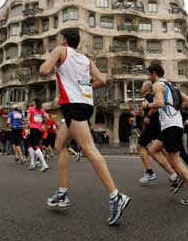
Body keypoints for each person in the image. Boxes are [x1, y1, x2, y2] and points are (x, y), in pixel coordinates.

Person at [39, 28, 130, 225]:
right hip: (85, 104)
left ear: (64, 40)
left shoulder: (60, 50)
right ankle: (62, 193)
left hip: (73, 106)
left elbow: (44, 70)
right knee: (59, 145)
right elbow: (103, 80)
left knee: (89, 149)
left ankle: (116, 196)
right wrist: (86, 86)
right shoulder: (86, 59)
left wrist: (53, 61)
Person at [142, 63, 188, 205]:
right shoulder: (173, 85)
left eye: (149, 74)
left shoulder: (157, 85)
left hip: (170, 126)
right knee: (153, 150)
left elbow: (158, 103)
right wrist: (175, 108)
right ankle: (175, 177)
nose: (149, 77)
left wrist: (147, 106)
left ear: (153, 73)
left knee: (175, 161)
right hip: (176, 125)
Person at [136, 81, 162, 183]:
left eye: (142, 86)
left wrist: (147, 116)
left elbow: (155, 108)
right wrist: (142, 113)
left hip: (152, 126)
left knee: (140, 146)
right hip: (155, 125)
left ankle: (150, 172)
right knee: (162, 151)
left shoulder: (149, 97)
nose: (140, 89)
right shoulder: (149, 97)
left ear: (147, 88)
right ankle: (175, 172)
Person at [26, 98, 49, 172]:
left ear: (35, 102)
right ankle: (32, 163)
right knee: (30, 145)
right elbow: (47, 117)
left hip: (32, 129)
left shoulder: (31, 109)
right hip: (39, 130)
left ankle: (44, 164)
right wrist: (43, 124)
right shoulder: (41, 110)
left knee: (35, 147)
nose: (32, 102)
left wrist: (25, 121)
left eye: (33, 101)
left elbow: (27, 118)